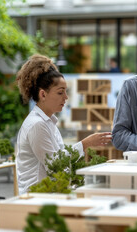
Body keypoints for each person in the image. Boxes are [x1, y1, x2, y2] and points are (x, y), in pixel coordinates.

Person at [15, 54, 112, 195]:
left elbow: (60, 159)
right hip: (37, 198)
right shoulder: (37, 125)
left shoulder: (48, 122)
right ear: (43, 94)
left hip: (49, 194)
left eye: (66, 92)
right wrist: (85, 144)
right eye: (60, 92)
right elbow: (55, 164)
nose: (66, 97)